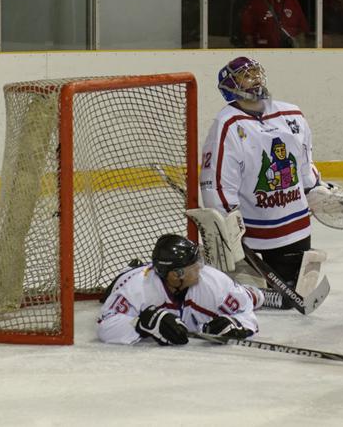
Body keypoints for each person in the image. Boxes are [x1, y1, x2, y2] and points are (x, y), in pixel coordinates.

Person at [199, 56, 323, 309]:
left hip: (296, 225)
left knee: (294, 291)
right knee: (247, 293)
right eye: (246, 75)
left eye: (256, 71)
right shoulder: (228, 124)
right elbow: (217, 182)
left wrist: (318, 189)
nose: (255, 77)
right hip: (256, 234)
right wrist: (228, 228)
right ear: (230, 87)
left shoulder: (292, 114)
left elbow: (304, 164)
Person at [98, 233, 261, 345]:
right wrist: (142, 324)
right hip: (128, 276)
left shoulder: (212, 281)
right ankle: (133, 266)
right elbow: (106, 325)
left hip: (231, 290)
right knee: (107, 295)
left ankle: (259, 294)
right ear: (175, 275)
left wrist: (237, 324)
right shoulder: (135, 288)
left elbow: (244, 311)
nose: (200, 267)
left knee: (248, 296)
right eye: (194, 265)